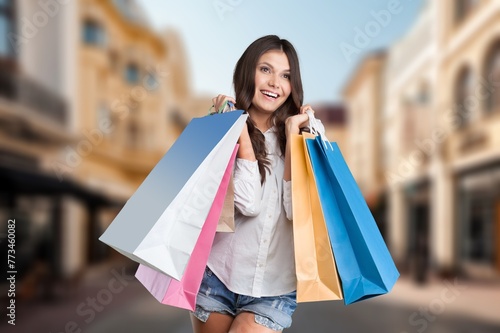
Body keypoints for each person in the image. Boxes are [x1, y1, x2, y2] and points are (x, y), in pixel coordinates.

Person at [190, 35, 313, 333]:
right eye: (266, 70)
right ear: (248, 72)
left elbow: (295, 210)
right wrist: (240, 131)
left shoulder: (306, 134)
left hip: (274, 287)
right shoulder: (220, 126)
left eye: (286, 76)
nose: (275, 83)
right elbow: (248, 202)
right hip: (216, 277)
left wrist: (295, 136)